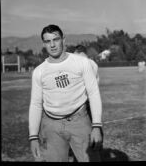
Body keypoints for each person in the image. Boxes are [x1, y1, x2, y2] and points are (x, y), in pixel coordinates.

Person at [28, 24, 103, 162]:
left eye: (55, 39)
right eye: (47, 41)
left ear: (63, 40)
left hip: (79, 120)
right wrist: (33, 136)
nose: (52, 45)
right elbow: (36, 104)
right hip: (51, 125)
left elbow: (93, 93)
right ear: (44, 44)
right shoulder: (39, 71)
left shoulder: (82, 63)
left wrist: (97, 126)